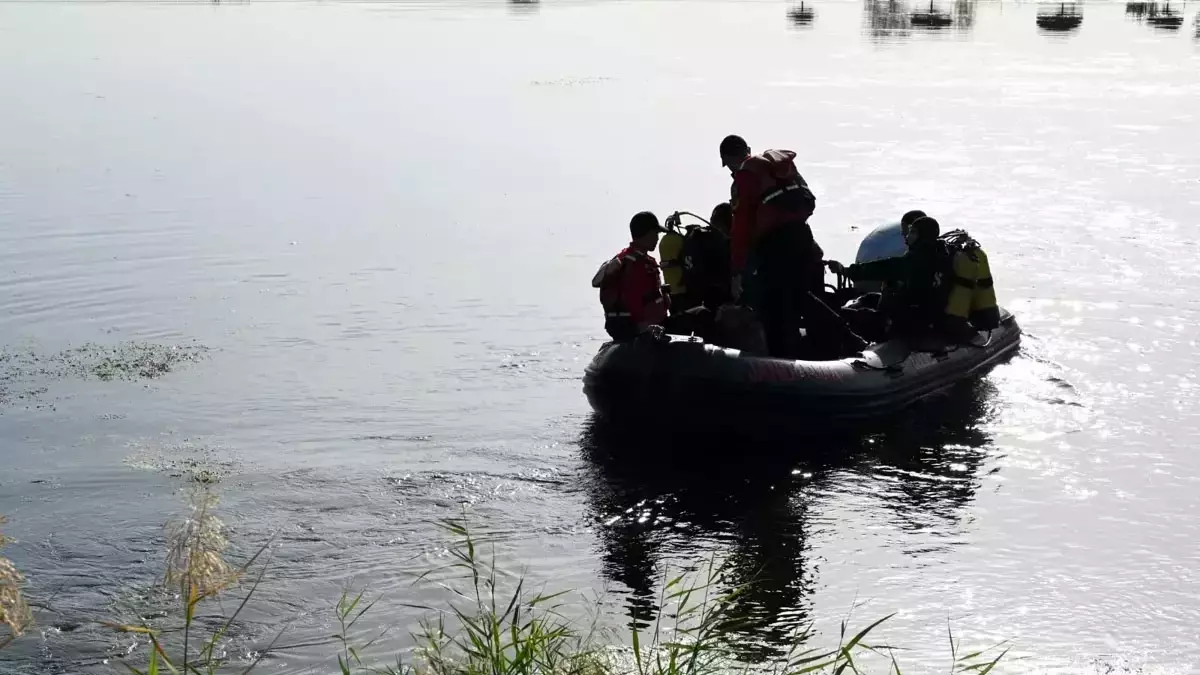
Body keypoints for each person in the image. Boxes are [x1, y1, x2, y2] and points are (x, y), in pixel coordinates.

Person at [719, 134, 866, 357]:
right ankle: (842, 338)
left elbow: (742, 227)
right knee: (802, 294)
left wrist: (737, 270)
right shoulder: (777, 166)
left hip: (774, 245)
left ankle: (784, 356)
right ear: (747, 148)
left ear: (728, 159)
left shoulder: (746, 176)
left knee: (776, 300)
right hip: (802, 237)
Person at [831, 214, 998, 344]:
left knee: (853, 315)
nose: (907, 236)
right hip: (929, 313)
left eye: (912, 232)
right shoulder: (941, 253)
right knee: (869, 299)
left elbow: (883, 268)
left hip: (916, 317)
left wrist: (847, 271)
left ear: (920, 235)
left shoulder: (917, 259)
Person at [592, 211, 670, 340]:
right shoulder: (628, 263)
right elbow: (631, 299)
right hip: (634, 327)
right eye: (655, 234)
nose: (657, 238)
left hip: (653, 323)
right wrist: (644, 327)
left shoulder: (647, 261)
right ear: (646, 234)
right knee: (701, 315)